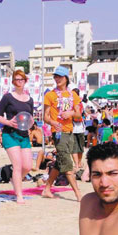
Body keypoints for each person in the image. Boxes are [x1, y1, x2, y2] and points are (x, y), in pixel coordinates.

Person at [42, 66, 82, 201]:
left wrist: (70, 113)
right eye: (55, 76)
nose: (57, 79)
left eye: (59, 76)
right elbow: (45, 117)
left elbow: (78, 115)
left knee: (60, 163)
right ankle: (78, 193)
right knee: (67, 163)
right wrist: (53, 123)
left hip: (70, 131)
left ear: (66, 78)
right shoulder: (50, 95)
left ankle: (47, 188)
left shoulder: (73, 95)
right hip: (58, 133)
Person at [0, 70, 34, 205]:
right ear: (13, 81)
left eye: (21, 79)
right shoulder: (7, 97)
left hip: (24, 135)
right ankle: (19, 195)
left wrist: (31, 123)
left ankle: (14, 179)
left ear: (25, 81)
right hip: (9, 134)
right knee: (17, 165)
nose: (19, 81)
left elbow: (29, 117)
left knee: (28, 167)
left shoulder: (30, 99)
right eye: (17, 79)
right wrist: (8, 122)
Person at [71, 87, 85, 170]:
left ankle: (78, 163)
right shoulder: (80, 103)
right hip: (76, 126)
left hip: (77, 126)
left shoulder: (77, 103)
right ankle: (77, 163)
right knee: (77, 147)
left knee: (78, 147)